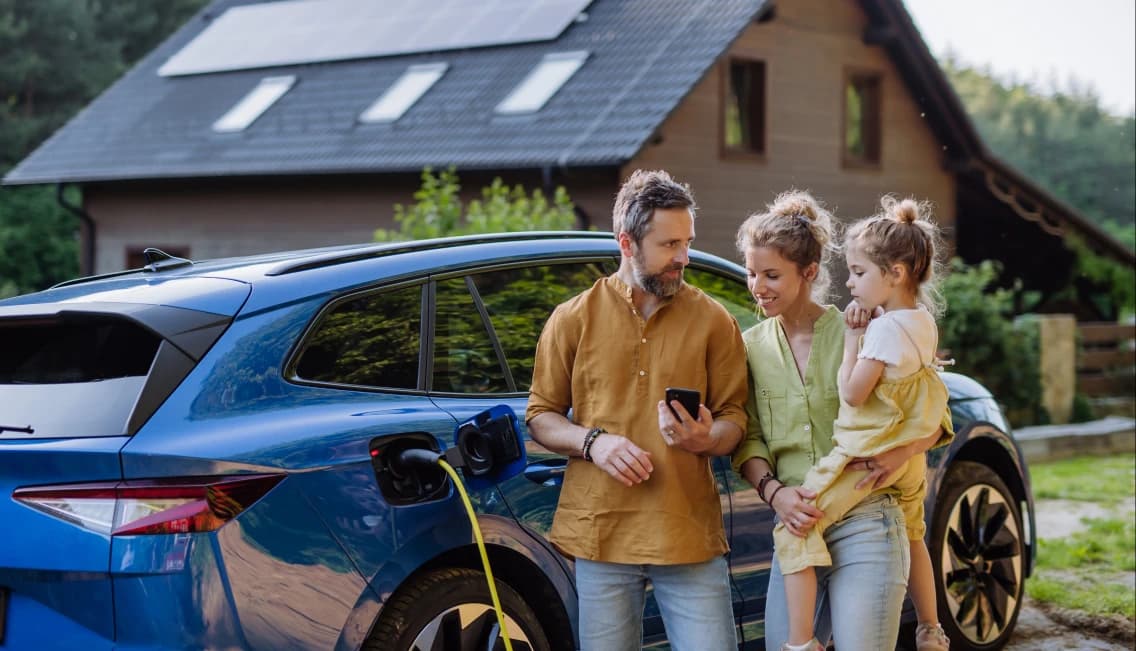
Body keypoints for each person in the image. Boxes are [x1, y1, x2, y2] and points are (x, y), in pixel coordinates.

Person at [526, 169, 749, 651]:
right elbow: (541, 415)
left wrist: (707, 439)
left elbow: (735, 419)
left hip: (686, 533)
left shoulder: (715, 321)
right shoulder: (572, 318)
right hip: (600, 535)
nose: (683, 257)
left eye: (687, 242)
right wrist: (593, 442)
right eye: (670, 245)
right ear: (627, 242)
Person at [731, 190, 952, 651]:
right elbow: (748, 438)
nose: (757, 286)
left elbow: (929, 414)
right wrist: (776, 494)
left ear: (808, 273)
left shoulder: (867, 327)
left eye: (771, 275)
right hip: (797, 520)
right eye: (752, 274)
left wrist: (899, 453)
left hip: (869, 516)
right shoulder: (748, 347)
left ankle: (930, 628)